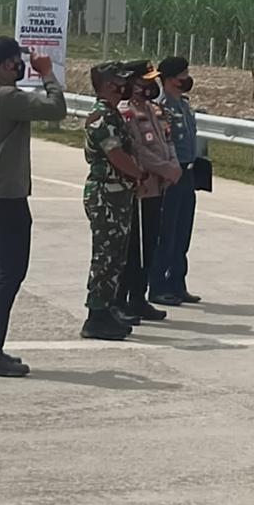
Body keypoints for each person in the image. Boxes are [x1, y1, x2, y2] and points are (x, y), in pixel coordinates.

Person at [0, 37, 66, 376]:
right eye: (16, 61)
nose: (20, 66)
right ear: (3, 65)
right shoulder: (5, 97)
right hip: (5, 195)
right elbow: (56, 108)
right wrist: (47, 73)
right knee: (10, 272)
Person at [82, 61, 145, 341]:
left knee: (117, 256)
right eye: (120, 82)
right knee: (105, 256)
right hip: (105, 194)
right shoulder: (102, 117)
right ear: (108, 85)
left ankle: (107, 308)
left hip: (118, 192)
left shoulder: (112, 114)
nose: (125, 86)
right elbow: (116, 155)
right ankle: (96, 315)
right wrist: (139, 173)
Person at [116, 61, 182, 323]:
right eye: (145, 81)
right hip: (140, 186)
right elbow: (138, 150)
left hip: (158, 186)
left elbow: (167, 141)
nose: (150, 86)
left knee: (151, 243)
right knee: (133, 248)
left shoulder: (155, 110)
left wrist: (173, 166)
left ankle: (139, 297)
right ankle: (124, 298)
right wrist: (165, 168)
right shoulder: (126, 112)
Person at [149, 56, 201, 307]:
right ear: (170, 79)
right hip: (170, 175)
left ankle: (177, 283)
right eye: (183, 76)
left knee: (183, 233)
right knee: (166, 233)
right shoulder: (160, 107)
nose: (187, 79)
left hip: (188, 174)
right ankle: (158, 286)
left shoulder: (184, 105)